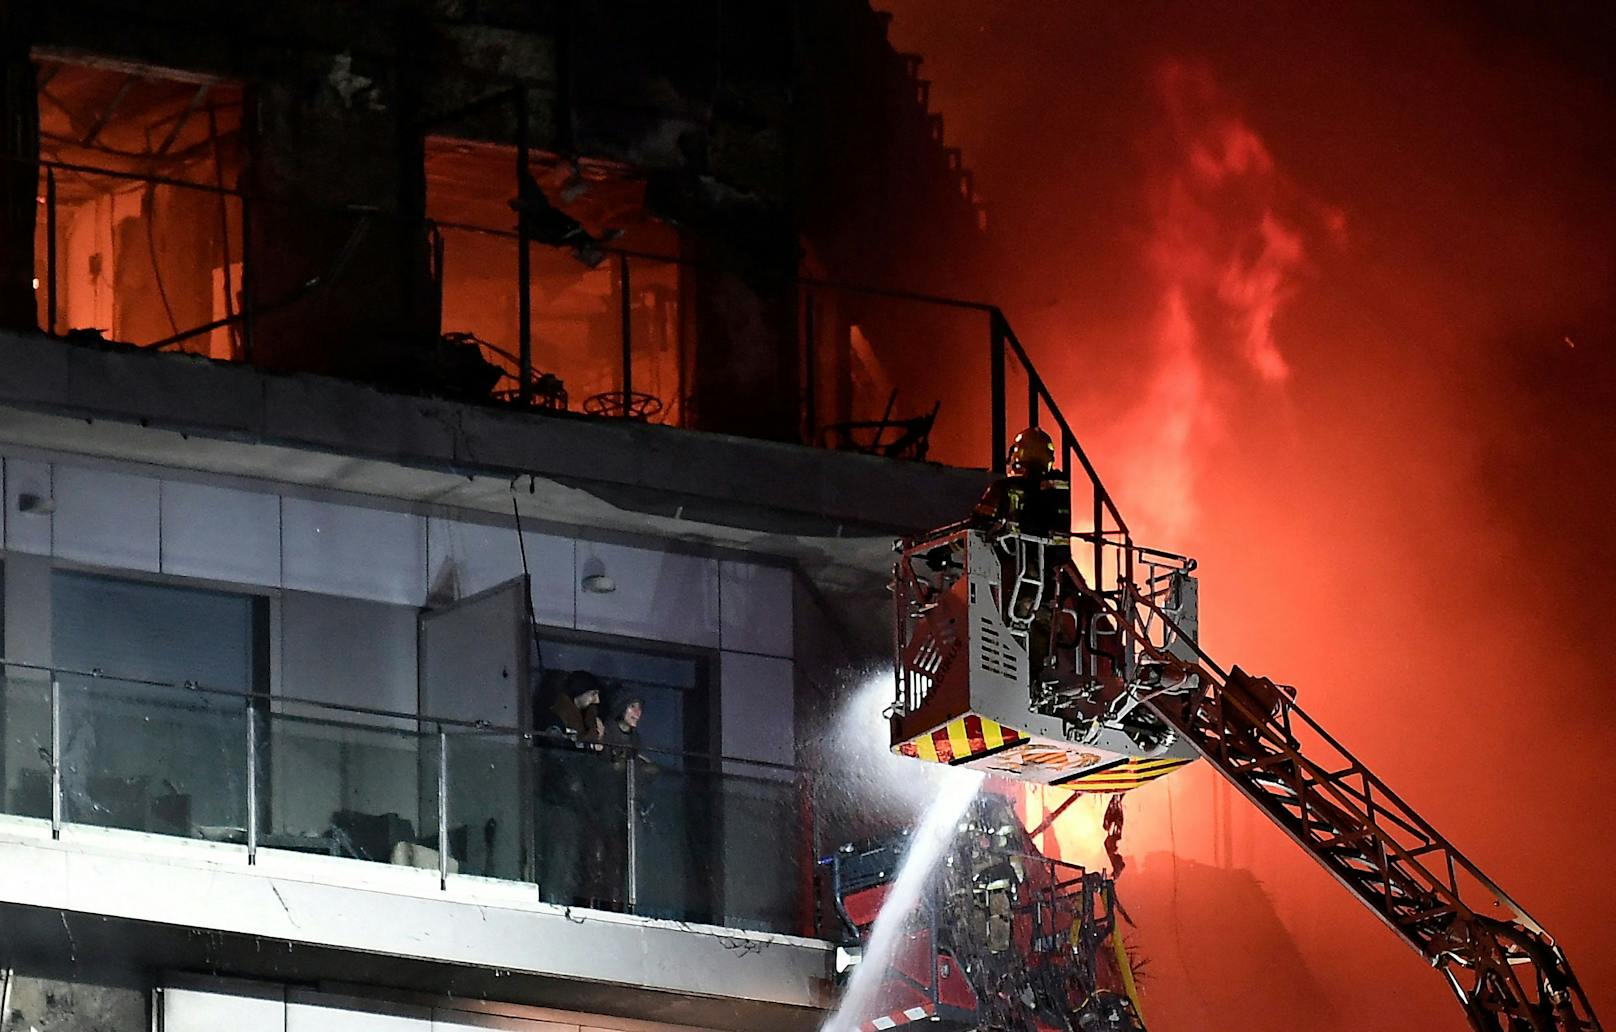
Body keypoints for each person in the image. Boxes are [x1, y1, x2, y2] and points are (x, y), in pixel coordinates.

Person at [536, 670, 605, 905]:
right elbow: (556, 750)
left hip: (573, 802)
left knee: (570, 857)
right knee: (560, 855)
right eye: (593, 694)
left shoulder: (582, 721)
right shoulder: (557, 718)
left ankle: (564, 901)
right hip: (559, 800)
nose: (596, 701)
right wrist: (584, 748)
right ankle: (556, 903)